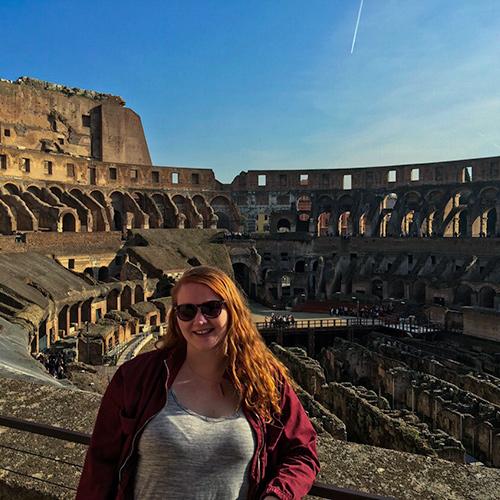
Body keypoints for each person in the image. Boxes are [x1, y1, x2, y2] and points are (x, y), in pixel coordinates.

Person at [77, 266, 319, 499]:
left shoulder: (265, 380)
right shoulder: (136, 377)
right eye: (187, 311)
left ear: (232, 311)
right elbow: (99, 467)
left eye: (211, 308)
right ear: (176, 318)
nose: (200, 320)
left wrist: (277, 496)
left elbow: (303, 451)